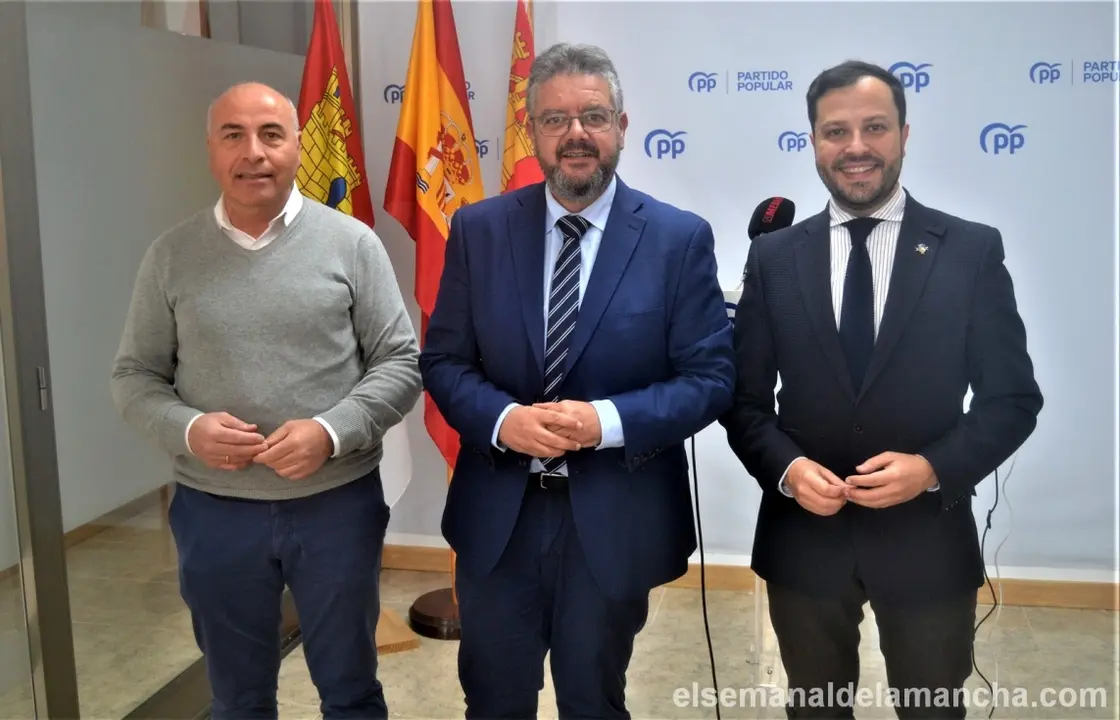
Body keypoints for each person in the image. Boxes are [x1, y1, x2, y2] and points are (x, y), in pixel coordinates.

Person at [419, 42, 736, 719]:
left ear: (621, 126)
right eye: (555, 119)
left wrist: (604, 422)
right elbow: (443, 362)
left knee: (593, 700)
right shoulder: (478, 230)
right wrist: (505, 420)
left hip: (613, 519)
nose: (576, 134)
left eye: (593, 116)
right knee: (492, 701)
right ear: (532, 131)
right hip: (498, 518)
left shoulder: (677, 240)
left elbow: (710, 379)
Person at [720, 60, 1043, 718]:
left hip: (928, 539)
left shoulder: (970, 251)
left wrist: (932, 468)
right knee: (815, 709)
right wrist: (787, 470)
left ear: (904, 134)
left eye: (874, 127)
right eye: (836, 131)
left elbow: (1013, 400)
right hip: (804, 539)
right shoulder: (773, 258)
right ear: (814, 141)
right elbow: (743, 402)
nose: (856, 146)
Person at [110, 82, 421, 719]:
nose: (253, 152)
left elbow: (401, 363)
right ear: (211, 149)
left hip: (336, 507)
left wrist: (331, 432)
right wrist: (188, 429)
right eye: (234, 135)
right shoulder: (170, 256)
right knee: (236, 698)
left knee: (351, 691)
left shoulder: (352, 244)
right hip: (215, 514)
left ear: (298, 147)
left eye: (271, 135)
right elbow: (135, 376)